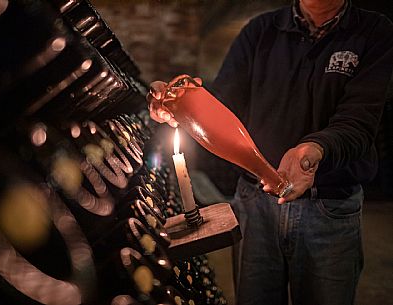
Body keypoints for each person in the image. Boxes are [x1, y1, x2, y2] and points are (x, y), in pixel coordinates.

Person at [146, 0, 393, 304]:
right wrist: (181, 105)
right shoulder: (260, 30)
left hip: (329, 207)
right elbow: (223, 104)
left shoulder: (373, 30)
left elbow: (359, 122)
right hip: (255, 204)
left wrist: (314, 149)